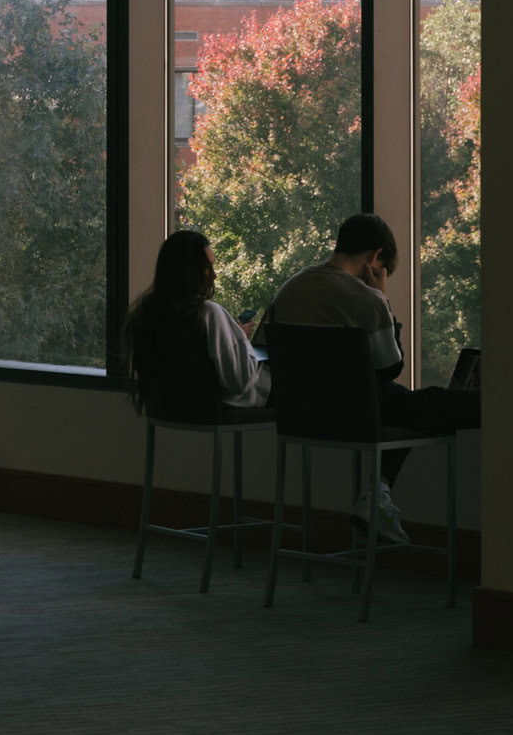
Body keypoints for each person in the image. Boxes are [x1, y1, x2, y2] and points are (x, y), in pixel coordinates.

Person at [264, 212, 479, 545]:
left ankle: (378, 493)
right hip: (358, 415)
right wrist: (381, 297)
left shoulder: (290, 287)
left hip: (299, 417)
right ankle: (377, 495)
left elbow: (264, 349)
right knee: (437, 405)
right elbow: (391, 366)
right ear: (375, 257)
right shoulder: (365, 299)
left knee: (417, 407)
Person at [123, 230, 270, 415]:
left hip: (166, 409)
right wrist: (240, 338)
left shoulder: (144, 314)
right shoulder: (208, 314)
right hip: (214, 410)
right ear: (189, 270)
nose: (214, 276)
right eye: (208, 267)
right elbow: (238, 382)